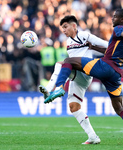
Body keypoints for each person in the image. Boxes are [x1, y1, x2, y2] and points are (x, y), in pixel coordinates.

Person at [44, 9, 123, 145]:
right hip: (116, 75)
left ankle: (59, 87)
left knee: (67, 62)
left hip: (104, 67)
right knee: (119, 108)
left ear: (122, 19)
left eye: (115, 17)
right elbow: (109, 49)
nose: (112, 19)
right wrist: (94, 47)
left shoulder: (120, 29)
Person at [38, 15, 108, 144]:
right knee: (73, 106)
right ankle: (93, 137)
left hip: (86, 72)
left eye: (66, 27)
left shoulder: (84, 35)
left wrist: (96, 48)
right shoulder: (69, 42)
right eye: (62, 28)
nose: (63, 30)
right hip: (77, 77)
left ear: (74, 26)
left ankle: (51, 89)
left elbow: (107, 45)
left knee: (60, 64)